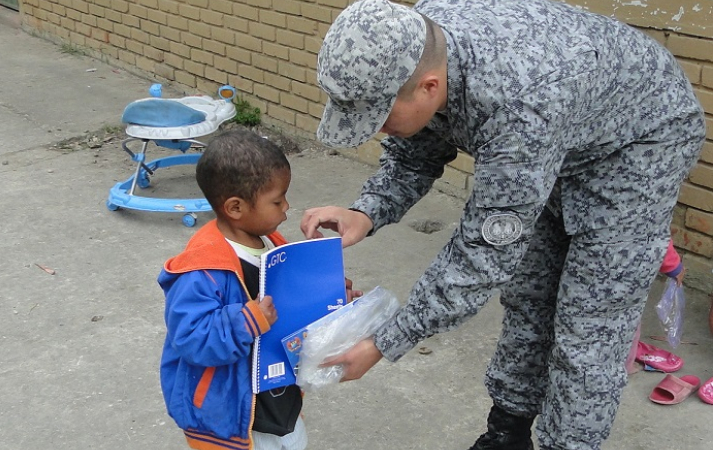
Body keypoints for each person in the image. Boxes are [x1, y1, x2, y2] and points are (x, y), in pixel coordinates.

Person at [301, 0, 706, 449]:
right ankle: (507, 434)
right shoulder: (416, 37)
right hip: (565, 124)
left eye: (379, 117)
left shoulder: (520, 108)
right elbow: (419, 140)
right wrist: (368, 210)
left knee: (588, 323)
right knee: (529, 291)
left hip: (641, 140)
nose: (376, 131)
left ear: (429, 87)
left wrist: (384, 341)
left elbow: (480, 258)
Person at [158, 130, 304, 450]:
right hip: (228, 416)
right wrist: (246, 320)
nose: (286, 207)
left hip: (276, 395)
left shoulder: (271, 243)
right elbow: (190, 338)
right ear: (235, 207)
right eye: (277, 200)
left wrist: (329, 297)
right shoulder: (201, 269)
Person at [625, 239, 685, 374]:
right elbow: (658, 238)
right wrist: (674, 267)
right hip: (627, 274)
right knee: (628, 321)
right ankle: (626, 365)